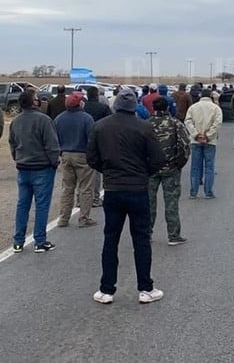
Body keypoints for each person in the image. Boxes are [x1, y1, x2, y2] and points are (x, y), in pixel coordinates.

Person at [87, 88, 165, 305]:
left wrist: (109, 171)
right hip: (138, 189)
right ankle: (145, 288)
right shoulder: (145, 127)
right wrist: (143, 173)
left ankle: (106, 289)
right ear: (134, 106)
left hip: (112, 189)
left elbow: (92, 158)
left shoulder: (100, 126)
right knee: (141, 239)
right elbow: (158, 159)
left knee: (110, 238)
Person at [8, 89, 60, 253]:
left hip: (23, 168)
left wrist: (18, 158)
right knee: (42, 205)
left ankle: (18, 241)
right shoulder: (44, 120)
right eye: (36, 99)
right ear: (34, 102)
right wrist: (54, 162)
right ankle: (40, 241)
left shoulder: (15, 122)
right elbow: (52, 145)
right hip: (42, 168)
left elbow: (12, 144)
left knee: (22, 204)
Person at [147, 96, 190, 245]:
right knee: (171, 203)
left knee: (148, 203)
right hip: (171, 169)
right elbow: (184, 145)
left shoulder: (146, 124)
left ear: (153, 108)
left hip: (150, 170)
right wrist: (179, 164)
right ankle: (173, 235)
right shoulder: (175, 123)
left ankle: (146, 233)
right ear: (167, 108)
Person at [54, 92, 97, 228]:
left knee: (67, 188)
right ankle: (83, 218)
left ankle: (63, 218)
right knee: (85, 188)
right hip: (82, 155)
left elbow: (55, 138)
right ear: (80, 103)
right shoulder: (87, 118)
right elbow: (92, 139)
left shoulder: (59, 119)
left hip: (65, 155)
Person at [185, 87, 223, 200]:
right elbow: (217, 124)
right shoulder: (216, 108)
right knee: (209, 167)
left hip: (196, 141)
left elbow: (188, 121)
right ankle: (208, 192)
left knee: (195, 167)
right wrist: (208, 135)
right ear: (211, 96)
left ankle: (193, 192)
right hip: (210, 141)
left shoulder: (193, 107)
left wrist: (196, 134)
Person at [84, 86, 112, 208]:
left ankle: (81, 199)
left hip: (83, 143)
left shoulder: (83, 108)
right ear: (97, 96)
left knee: (83, 175)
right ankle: (95, 197)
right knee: (96, 171)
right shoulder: (104, 108)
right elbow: (111, 123)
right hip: (100, 142)